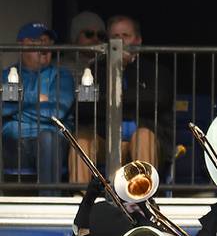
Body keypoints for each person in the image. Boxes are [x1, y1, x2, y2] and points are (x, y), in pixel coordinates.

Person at [71, 15, 175, 175]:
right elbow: (82, 107)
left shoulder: (156, 70)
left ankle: (142, 196)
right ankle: (81, 197)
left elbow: (159, 100)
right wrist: (132, 99)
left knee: (143, 136)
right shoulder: (96, 69)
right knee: (81, 141)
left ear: (138, 40)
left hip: (144, 141)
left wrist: (112, 98)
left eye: (125, 36)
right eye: (115, 36)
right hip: (105, 140)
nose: (120, 41)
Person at [2, 22, 74, 187]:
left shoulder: (62, 75)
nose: (44, 47)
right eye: (38, 41)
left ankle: (51, 204)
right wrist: (36, 97)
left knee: (48, 137)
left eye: (47, 42)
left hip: (53, 141)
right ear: (22, 45)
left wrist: (16, 109)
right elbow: (2, 107)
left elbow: (56, 113)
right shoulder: (6, 75)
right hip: (14, 144)